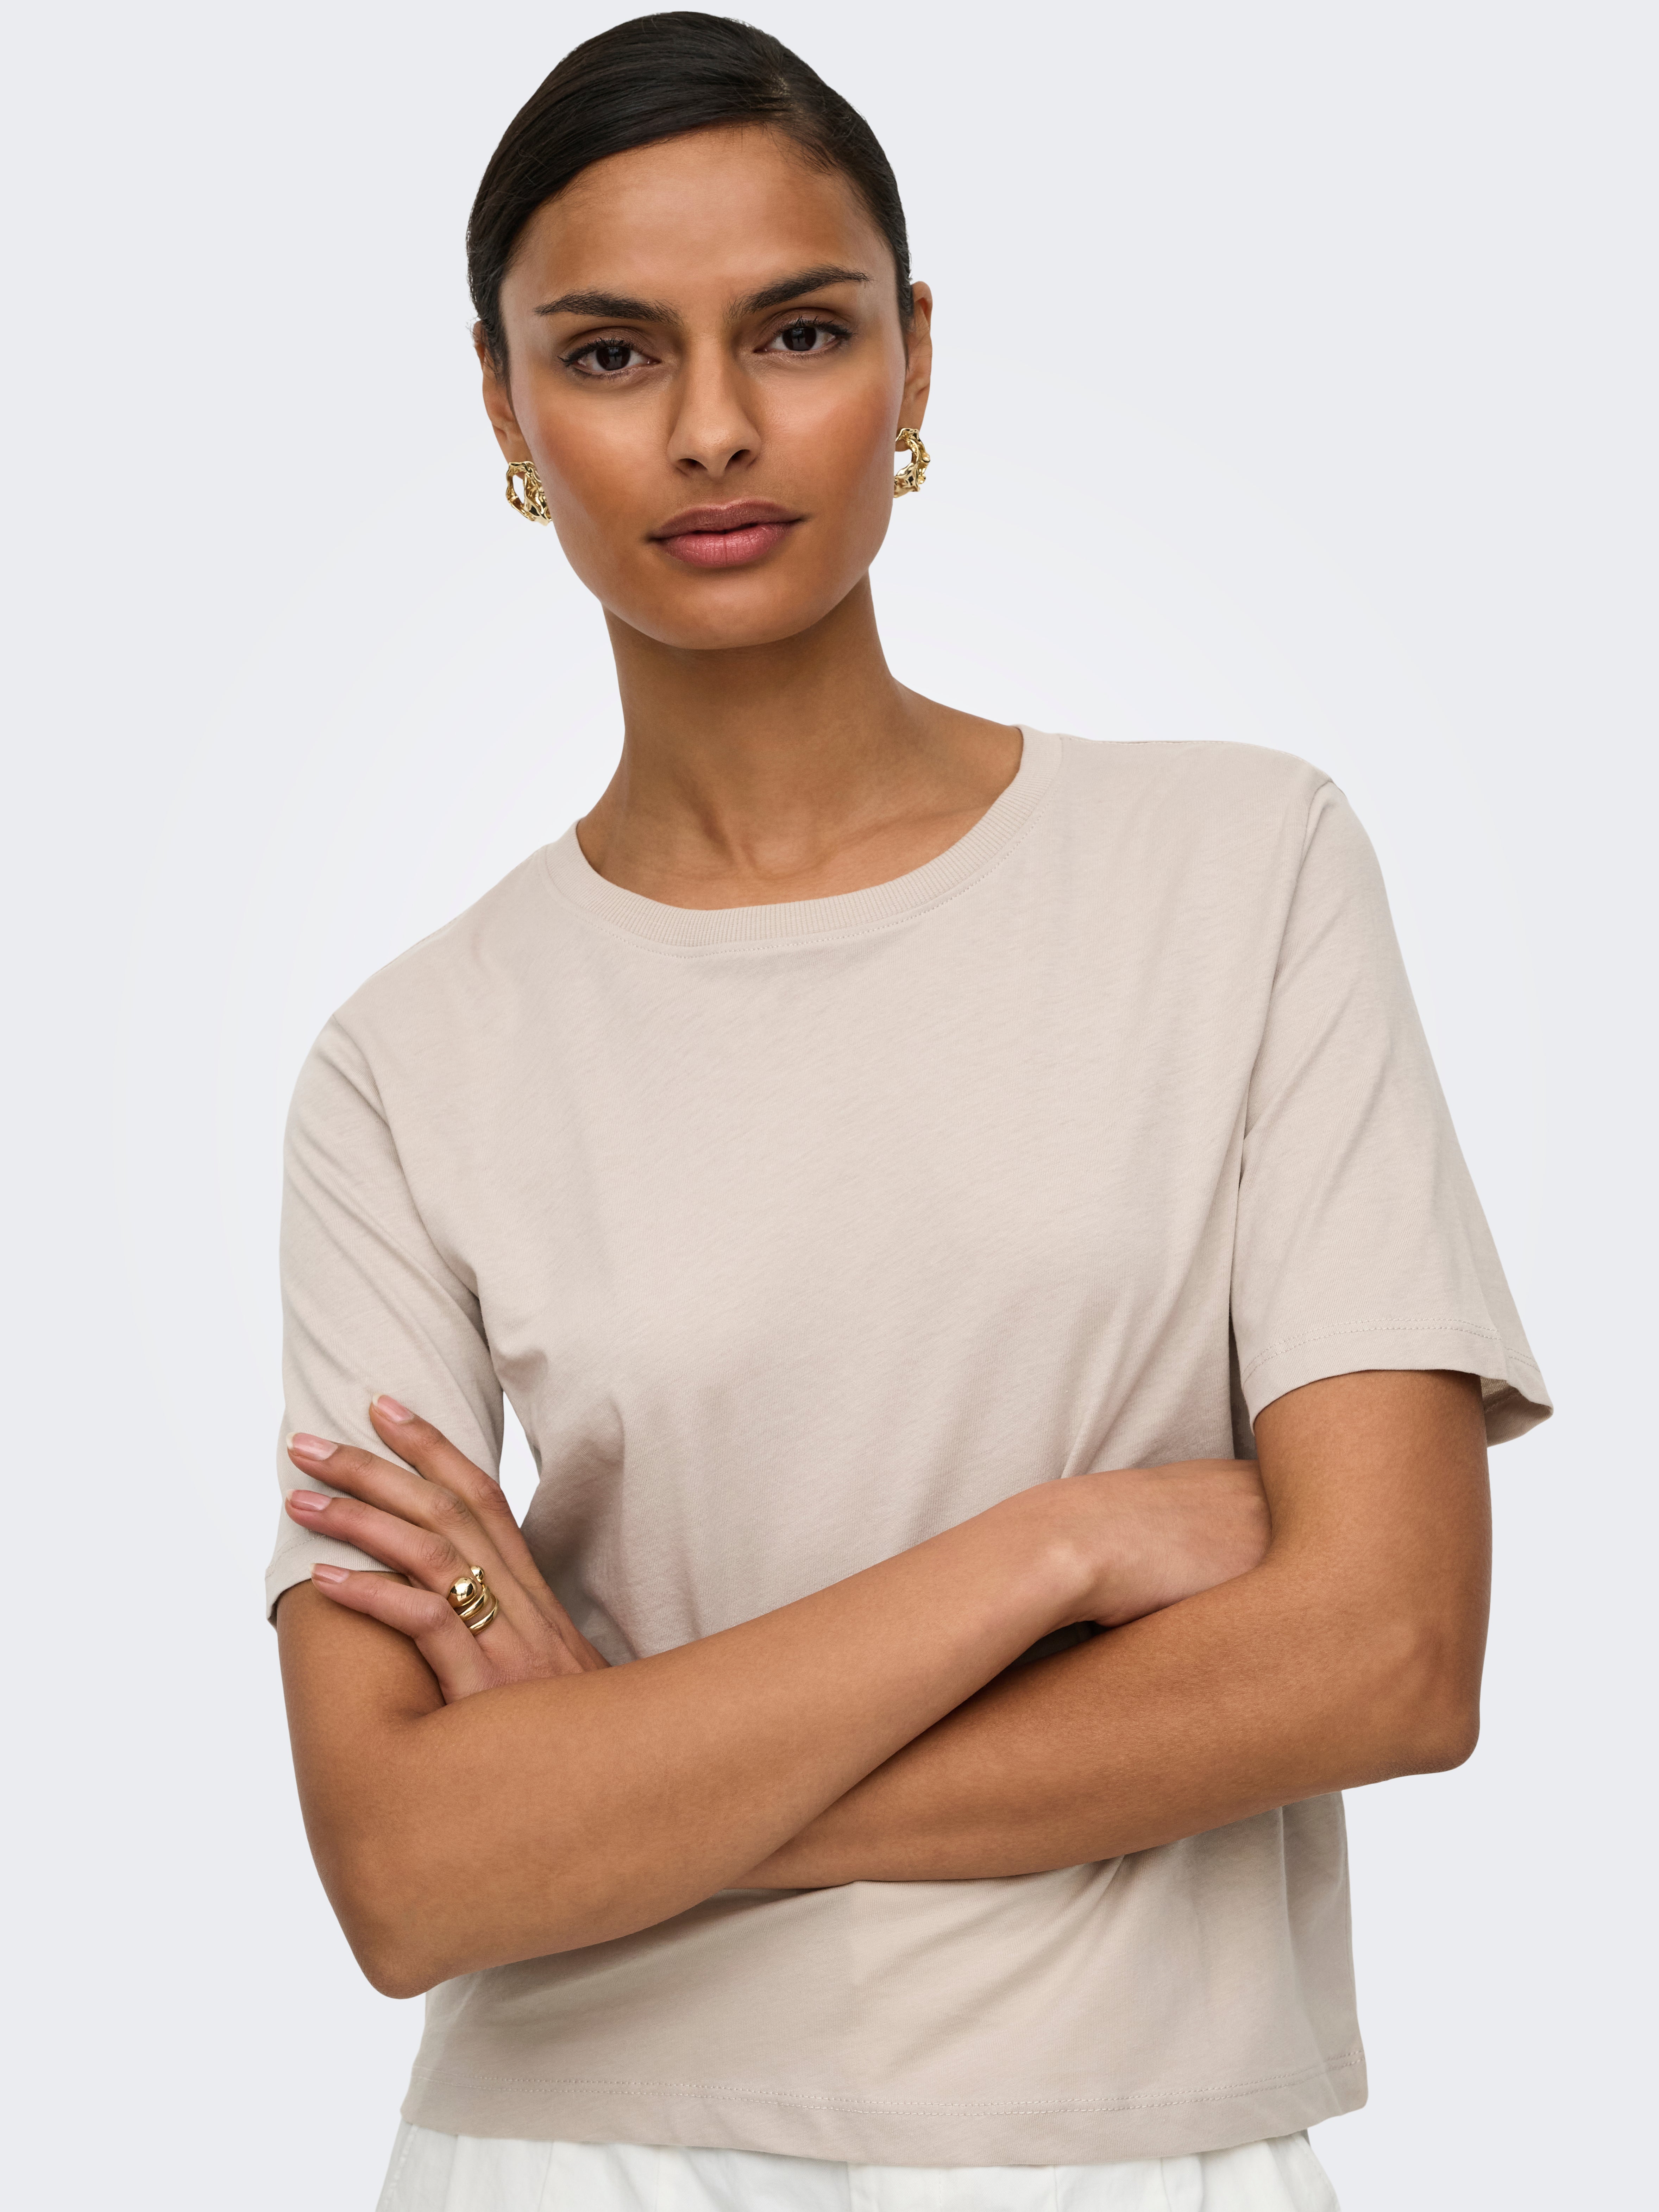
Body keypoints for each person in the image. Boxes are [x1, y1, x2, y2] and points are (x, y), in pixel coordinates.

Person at [268, 15, 1550, 2210]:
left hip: (1133, 2146)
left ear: (915, 358)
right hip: (571, 2159)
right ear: (503, 407)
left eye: (798, 331)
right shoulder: (412, 1062)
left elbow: (1391, 1655)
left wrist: (619, 1791)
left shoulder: (1242, 875)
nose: (713, 428)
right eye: (609, 355)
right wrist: (1059, 1548)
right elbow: (409, 1874)